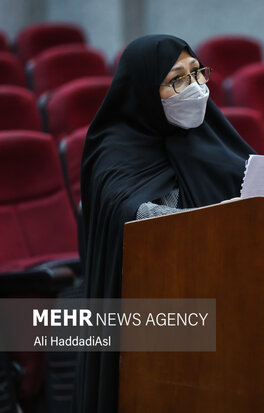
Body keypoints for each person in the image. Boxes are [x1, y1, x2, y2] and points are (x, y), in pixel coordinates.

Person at [73, 34, 254, 413]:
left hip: (232, 301)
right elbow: (132, 216)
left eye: (197, 73)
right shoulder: (113, 151)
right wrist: (225, 223)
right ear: (143, 89)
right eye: (177, 80)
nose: (196, 88)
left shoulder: (209, 136)